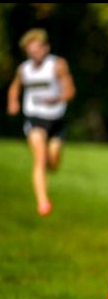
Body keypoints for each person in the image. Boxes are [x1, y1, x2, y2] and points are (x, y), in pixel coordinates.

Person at [7, 28, 75, 216]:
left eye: (37, 49)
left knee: (52, 163)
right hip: (35, 117)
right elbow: (14, 88)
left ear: (46, 48)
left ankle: (46, 170)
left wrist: (58, 98)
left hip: (56, 119)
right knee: (40, 157)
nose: (34, 53)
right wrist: (13, 102)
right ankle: (43, 201)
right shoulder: (24, 70)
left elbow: (70, 91)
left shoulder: (58, 65)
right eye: (30, 50)